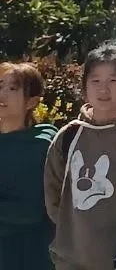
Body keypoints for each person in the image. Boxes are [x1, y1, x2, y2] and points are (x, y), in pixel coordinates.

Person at [44, 43, 116, 270]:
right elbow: (53, 194)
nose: (104, 89)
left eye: (113, 80)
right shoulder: (69, 136)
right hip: (71, 262)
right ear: (85, 86)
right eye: (95, 81)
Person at [0, 61, 56, 270]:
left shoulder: (41, 144)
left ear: (32, 102)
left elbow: (31, 210)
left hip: (30, 254)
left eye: (13, 88)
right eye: (0, 86)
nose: (2, 93)